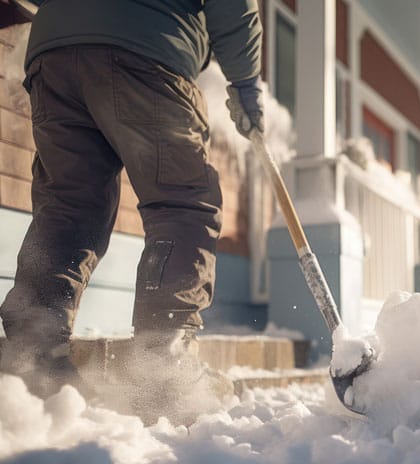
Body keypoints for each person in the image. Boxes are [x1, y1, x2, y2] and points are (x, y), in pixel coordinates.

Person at [0, 0, 264, 418]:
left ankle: (33, 355)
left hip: (54, 54)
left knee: (68, 209)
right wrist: (246, 82)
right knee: (182, 203)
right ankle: (162, 363)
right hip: (149, 50)